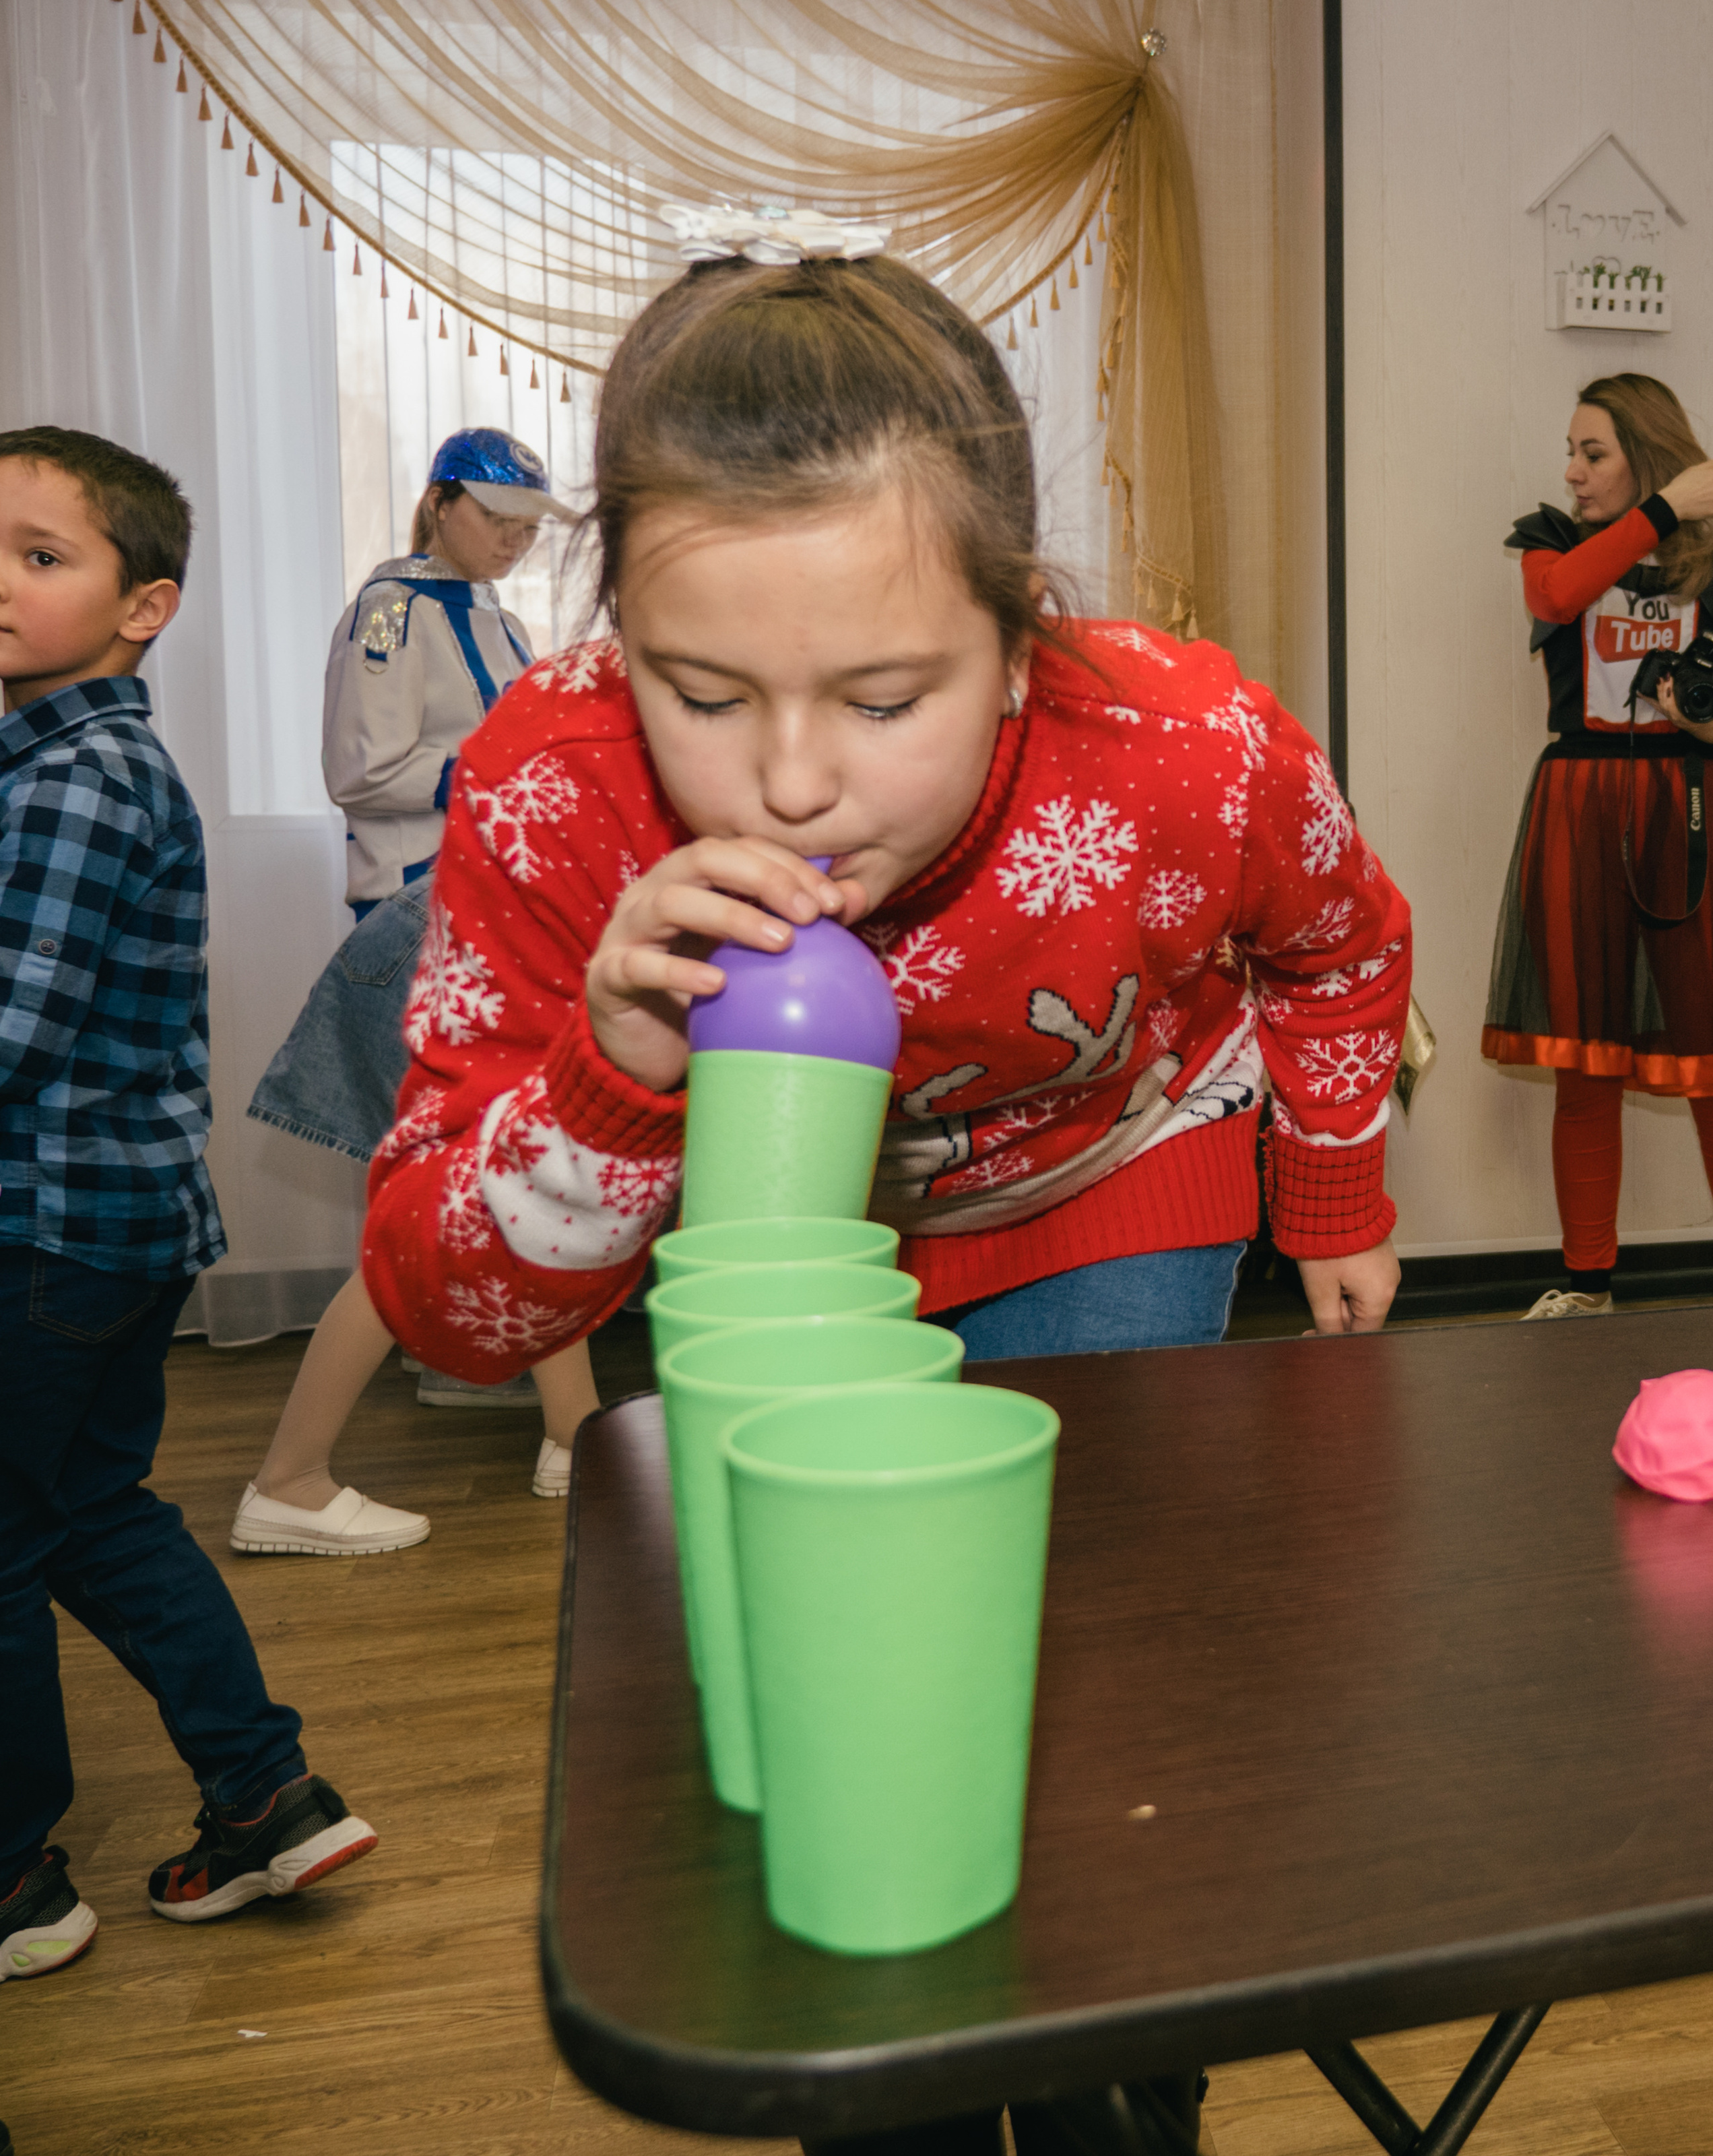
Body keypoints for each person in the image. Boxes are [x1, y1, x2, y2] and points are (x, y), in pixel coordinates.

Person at [356, 224, 1411, 2153]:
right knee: (847, 1752)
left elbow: (1339, 941)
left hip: (1114, 1186)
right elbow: (453, 1307)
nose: (788, 781)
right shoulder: (542, 786)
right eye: (700, 687)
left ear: (1021, 642)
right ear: (619, 644)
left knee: (1090, 1718)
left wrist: (1333, 1194)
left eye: (884, 694)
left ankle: (1121, 2077)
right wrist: (613, 1074)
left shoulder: (1187, 740)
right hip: (765, 1270)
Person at [0, 426, 375, 1984]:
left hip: (40, 1228)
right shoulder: (67, 764)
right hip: (113, 1228)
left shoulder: (74, 780)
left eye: (38, 554)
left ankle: (12, 1878)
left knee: (1, 1546)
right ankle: (266, 1793)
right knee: (91, 1513)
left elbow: (2, 1032)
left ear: (144, 605)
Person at [232, 429, 598, 1556]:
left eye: (530, 523)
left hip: (487, 911)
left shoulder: (505, 620)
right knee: (493, 1176)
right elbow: (361, 772)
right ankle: (300, 1477)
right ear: (438, 504)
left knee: (509, 1174)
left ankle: (565, 1424)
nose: (515, 539)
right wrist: (512, 769)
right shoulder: (390, 611)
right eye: (497, 515)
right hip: (420, 914)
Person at [1485, 375, 1713, 1320]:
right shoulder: (1551, 543)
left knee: (1710, 1054)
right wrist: (1663, 509)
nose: (1572, 473)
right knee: (1585, 1059)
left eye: (1594, 453)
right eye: (1573, 453)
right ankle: (1586, 1288)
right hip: (1580, 805)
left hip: (1689, 807)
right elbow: (1561, 593)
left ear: (1644, 452)